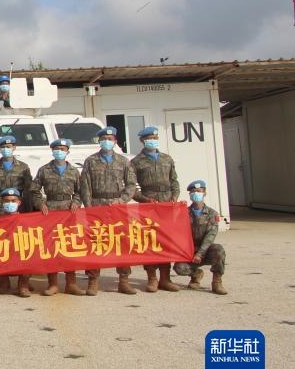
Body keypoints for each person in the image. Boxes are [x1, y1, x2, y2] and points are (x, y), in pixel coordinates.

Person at [79, 126, 139, 296]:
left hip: (117, 206)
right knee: (95, 242)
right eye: (104, 139)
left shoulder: (123, 161)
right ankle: (93, 280)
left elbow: (131, 184)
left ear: (115, 141)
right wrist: (88, 207)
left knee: (122, 242)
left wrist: (122, 200)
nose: (107, 141)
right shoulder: (91, 161)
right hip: (97, 205)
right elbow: (85, 186)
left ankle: (124, 281)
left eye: (110, 139)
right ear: (99, 141)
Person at [130, 126, 182, 293]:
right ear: (142, 140)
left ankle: (165, 278)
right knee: (150, 241)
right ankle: (152, 278)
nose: (152, 140)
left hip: (167, 204)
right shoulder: (136, 162)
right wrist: (144, 199)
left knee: (166, 241)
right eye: (148, 138)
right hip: (148, 205)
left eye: (154, 137)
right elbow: (131, 187)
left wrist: (175, 196)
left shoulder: (167, 158)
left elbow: (174, 180)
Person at [30, 139, 85, 297]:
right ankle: (53, 283)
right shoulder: (44, 170)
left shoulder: (74, 171)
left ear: (68, 151)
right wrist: (40, 203)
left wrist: (76, 202)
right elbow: (34, 190)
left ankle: (71, 283)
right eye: (56, 148)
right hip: (51, 210)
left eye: (62, 148)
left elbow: (81, 190)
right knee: (51, 246)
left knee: (70, 246)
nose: (59, 151)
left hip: (69, 211)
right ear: (52, 151)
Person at [173, 181, 228, 295]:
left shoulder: (212, 213)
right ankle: (196, 275)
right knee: (179, 267)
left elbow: (210, 236)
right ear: (190, 195)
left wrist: (200, 253)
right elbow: (175, 229)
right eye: (193, 192)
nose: (196, 194)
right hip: (189, 250)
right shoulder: (184, 212)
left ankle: (217, 282)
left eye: (199, 191)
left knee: (219, 250)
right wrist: (177, 208)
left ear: (204, 193)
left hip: (205, 249)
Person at [0, 188, 31, 298]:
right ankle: (3, 281)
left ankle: (23, 284)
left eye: (13, 201)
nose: (10, 203)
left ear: (19, 202)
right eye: (7, 201)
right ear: (2, 203)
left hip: (21, 252)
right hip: (4, 253)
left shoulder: (27, 220)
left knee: (30, 252)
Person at [0, 136, 34, 213]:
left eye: (8, 147)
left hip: (18, 206)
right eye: (3, 147)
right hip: (0, 207)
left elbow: (28, 190)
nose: (5, 149)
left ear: (14, 148)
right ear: (0, 149)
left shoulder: (23, 167)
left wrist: (29, 209)